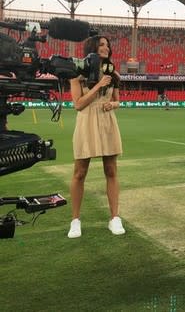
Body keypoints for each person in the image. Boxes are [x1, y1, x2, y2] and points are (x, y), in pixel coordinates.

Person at [67, 35, 125, 238]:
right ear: (91, 48)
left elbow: (119, 101)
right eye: (101, 45)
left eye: (108, 45)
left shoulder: (113, 73)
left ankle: (115, 217)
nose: (106, 48)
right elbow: (78, 104)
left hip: (107, 121)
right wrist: (99, 86)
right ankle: (75, 220)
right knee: (79, 173)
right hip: (86, 121)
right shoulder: (77, 73)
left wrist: (113, 104)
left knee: (111, 170)